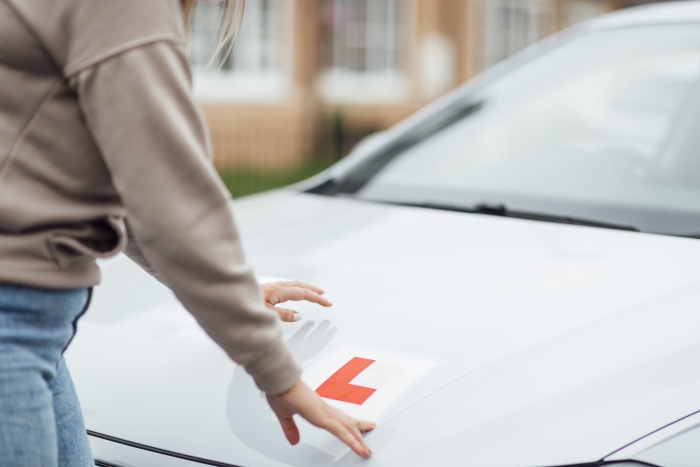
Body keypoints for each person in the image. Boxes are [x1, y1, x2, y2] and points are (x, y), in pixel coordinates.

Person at [0, 0, 374, 465]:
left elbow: (134, 188)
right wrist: (278, 374)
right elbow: (170, 197)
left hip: (32, 330)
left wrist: (233, 295)